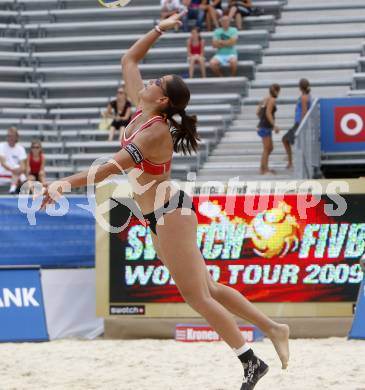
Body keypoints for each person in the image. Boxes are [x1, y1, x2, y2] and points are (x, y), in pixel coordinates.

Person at [39, 13, 289, 390]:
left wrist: (64, 183)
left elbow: (110, 169)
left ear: (163, 99)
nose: (150, 80)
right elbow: (129, 60)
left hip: (171, 212)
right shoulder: (143, 111)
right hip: (157, 214)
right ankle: (273, 327)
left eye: (157, 82)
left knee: (198, 296)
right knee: (210, 289)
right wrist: (159, 28)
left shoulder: (155, 130)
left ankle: (250, 360)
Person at [282, 78, 312, 169]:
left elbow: (304, 112)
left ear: (300, 87)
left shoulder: (303, 97)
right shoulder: (307, 95)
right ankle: (290, 160)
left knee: (285, 140)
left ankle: (290, 162)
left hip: (299, 124)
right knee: (287, 140)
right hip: (299, 123)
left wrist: (301, 126)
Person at [256, 83, 281, 175]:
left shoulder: (265, 99)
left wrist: (261, 121)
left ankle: (263, 167)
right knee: (267, 148)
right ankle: (264, 170)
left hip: (264, 126)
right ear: (276, 91)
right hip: (266, 126)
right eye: (279, 91)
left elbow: (257, 112)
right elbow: (268, 113)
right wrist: (274, 125)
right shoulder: (272, 100)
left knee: (270, 148)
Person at [209, 13, 238, 77]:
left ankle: (233, 77)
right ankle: (221, 76)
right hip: (219, 54)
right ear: (221, 22)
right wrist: (228, 42)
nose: (225, 22)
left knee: (234, 62)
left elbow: (233, 43)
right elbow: (214, 45)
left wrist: (220, 42)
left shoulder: (233, 30)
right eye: (223, 21)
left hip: (231, 54)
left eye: (226, 21)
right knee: (212, 64)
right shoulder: (217, 31)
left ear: (229, 22)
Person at [0, 127, 27, 194]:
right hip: (3, 172)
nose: (10, 138)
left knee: (20, 174)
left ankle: (13, 190)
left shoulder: (21, 148)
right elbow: (3, 163)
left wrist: (17, 170)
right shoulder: (1, 146)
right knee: (21, 176)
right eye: (9, 136)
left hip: (15, 173)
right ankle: (14, 190)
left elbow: (23, 166)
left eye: (12, 136)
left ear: (16, 137)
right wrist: (14, 170)